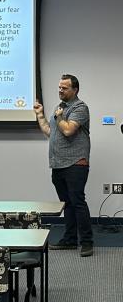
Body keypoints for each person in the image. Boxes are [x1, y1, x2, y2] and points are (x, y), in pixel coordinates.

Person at [34, 74, 93, 257]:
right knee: (67, 203)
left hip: (76, 163)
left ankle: (87, 242)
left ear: (75, 90)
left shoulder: (80, 108)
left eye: (64, 88)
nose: (60, 90)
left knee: (77, 202)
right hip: (58, 164)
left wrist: (59, 118)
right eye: (59, 87)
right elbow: (50, 133)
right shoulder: (58, 108)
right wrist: (40, 115)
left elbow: (67, 130)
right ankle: (69, 240)